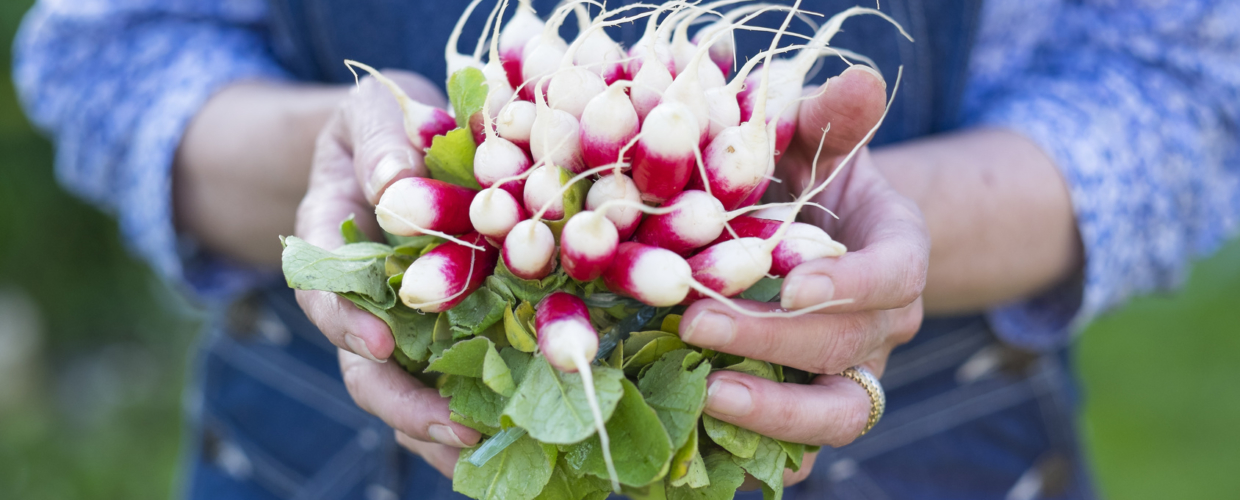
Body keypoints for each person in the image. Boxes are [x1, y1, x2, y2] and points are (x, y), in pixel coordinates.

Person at [14, 0, 1239, 498]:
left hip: (932, 441)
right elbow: (113, 51)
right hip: (323, 449)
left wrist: (834, 227)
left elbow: (1181, 82)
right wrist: (370, 166)